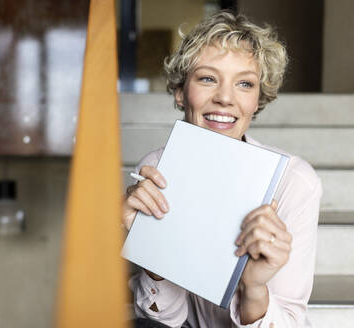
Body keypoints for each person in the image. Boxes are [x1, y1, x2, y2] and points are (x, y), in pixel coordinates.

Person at [122, 11, 322, 328]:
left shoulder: (294, 182)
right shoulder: (156, 169)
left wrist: (253, 287)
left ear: (258, 99)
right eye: (207, 78)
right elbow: (164, 320)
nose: (225, 98)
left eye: (245, 83)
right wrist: (152, 258)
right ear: (179, 91)